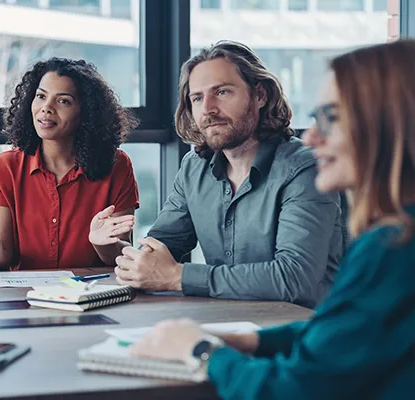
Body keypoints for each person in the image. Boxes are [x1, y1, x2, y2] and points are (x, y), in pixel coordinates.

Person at [129, 40, 415, 399]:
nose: (313, 136)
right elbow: (349, 328)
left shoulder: (393, 245)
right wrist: (246, 341)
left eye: (333, 117)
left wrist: (202, 351)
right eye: (197, 98)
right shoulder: (395, 236)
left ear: (391, 124)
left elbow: (291, 390)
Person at [113, 41, 342, 308]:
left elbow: (293, 278)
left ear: (260, 96)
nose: (208, 108)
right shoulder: (193, 168)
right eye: (197, 98)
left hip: (300, 327)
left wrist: (179, 276)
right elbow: (158, 249)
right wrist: (137, 263)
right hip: (224, 320)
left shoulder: (303, 168)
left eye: (222, 92)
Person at [0, 58, 140, 270]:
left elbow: (123, 258)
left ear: (86, 113)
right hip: (25, 298)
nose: (46, 108)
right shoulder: (6, 167)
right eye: (41, 96)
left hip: (92, 296)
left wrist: (101, 244)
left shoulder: (117, 165)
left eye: (63, 101)